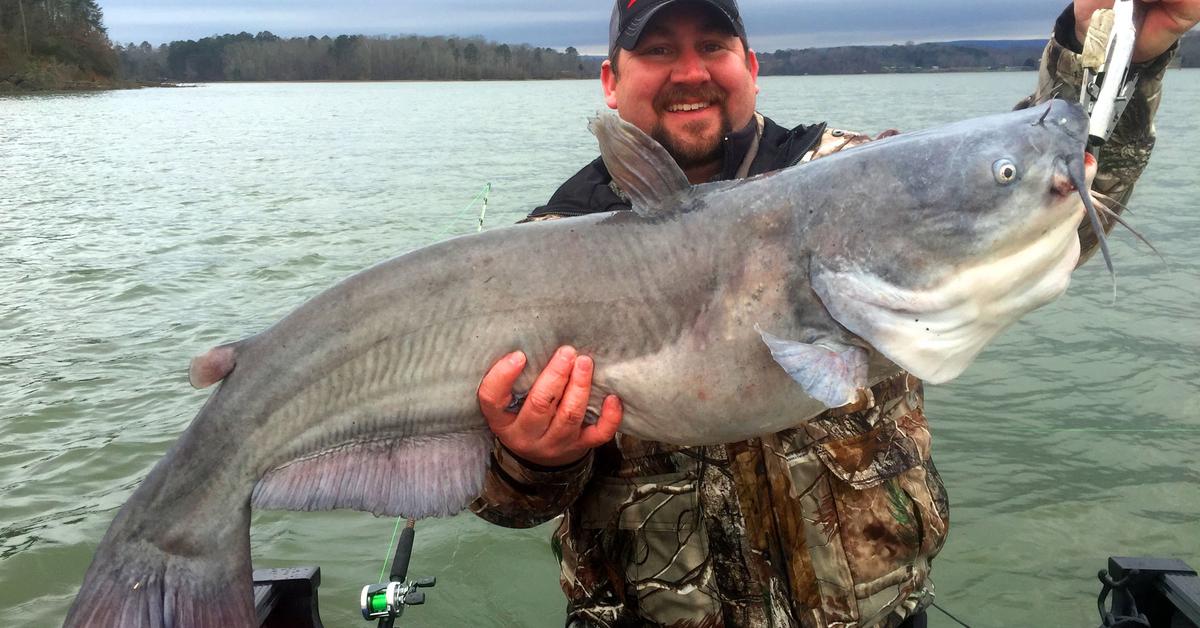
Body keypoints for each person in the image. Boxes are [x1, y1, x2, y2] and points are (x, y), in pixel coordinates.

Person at [469, 1, 1198, 626]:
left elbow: (1022, 193)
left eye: (712, 46)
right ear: (610, 81)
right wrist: (532, 458)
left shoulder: (845, 171)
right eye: (657, 50)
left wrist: (1117, 48)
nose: (690, 71)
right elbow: (497, 502)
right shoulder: (539, 253)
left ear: (750, 66)